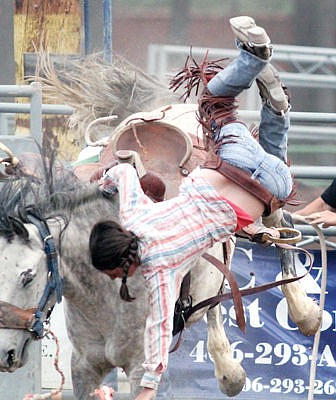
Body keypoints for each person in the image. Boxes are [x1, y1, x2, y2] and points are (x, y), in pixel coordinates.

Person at [89, 16, 293, 400]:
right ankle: (253, 59)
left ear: (121, 267)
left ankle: (279, 118)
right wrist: (101, 181)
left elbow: (159, 328)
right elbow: (124, 173)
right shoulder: (134, 215)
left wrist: (148, 387)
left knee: (278, 171)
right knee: (213, 102)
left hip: (264, 190)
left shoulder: (159, 271)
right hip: (230, 160)